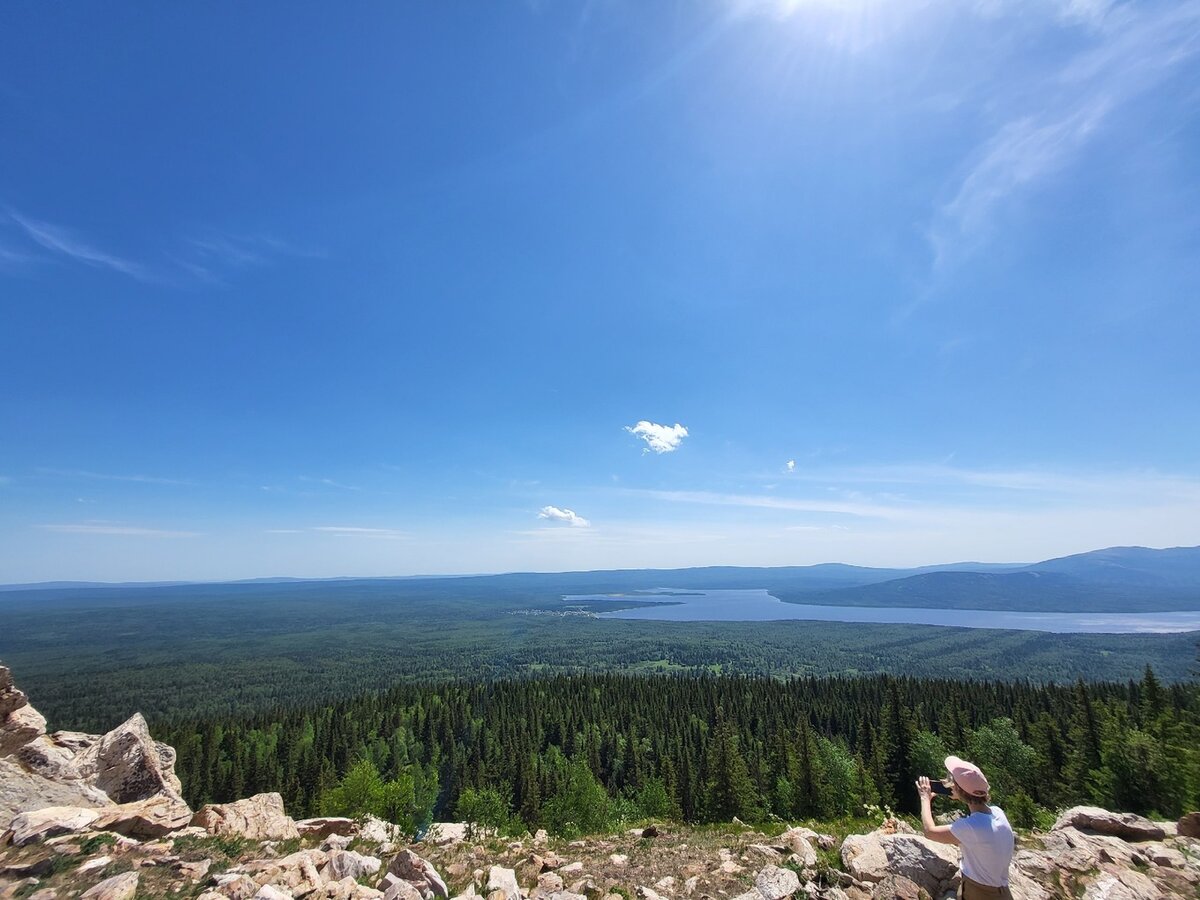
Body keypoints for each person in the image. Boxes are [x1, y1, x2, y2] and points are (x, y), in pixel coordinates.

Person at [916, 756, 1014, 900]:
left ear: (958, 789)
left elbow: (930, 831)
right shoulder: (998, 813)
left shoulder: (970, 828)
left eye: (951, 782)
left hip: (980, 893)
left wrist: (925, 798)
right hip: (1002, 892)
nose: (948, 784)